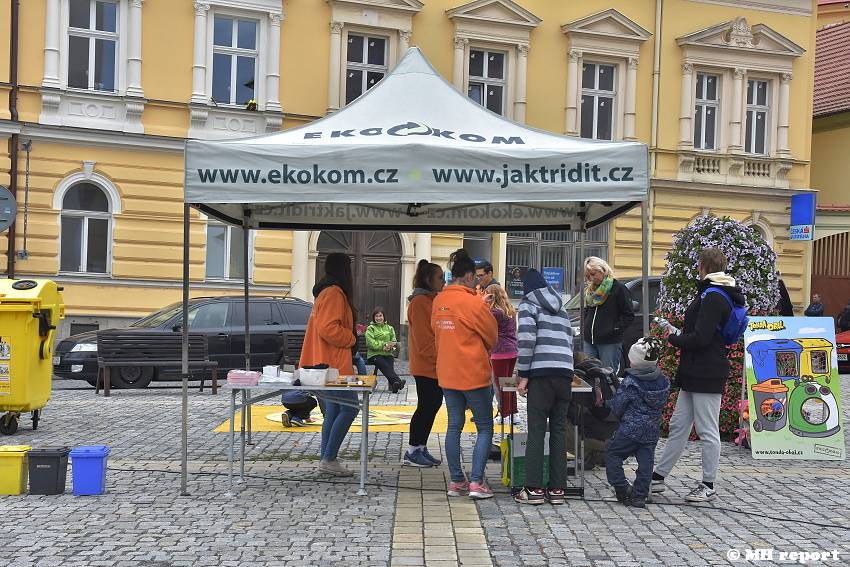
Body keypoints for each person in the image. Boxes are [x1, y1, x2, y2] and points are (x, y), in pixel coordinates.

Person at [652, 248, 746, 502]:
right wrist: (675, 330)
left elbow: (701, 338)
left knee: (707, 430)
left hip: (707, 371)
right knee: (678, 426)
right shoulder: (710, 292)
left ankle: (708, 485)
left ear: (704, 265)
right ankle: (658, 479)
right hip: (694, 370)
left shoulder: (714, 296)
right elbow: (699, 331)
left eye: (698, 264)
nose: (696, 267)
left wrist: (672, 336)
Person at [433, 249, 498, 499]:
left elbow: (436, 334)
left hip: (447, 373)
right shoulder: (473, 303)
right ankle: (477, 482)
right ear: (469, 276)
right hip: (473, 372)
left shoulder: (439, 301)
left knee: (454, 427)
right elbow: (492, 337)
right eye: (476, 278)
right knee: (483, 427)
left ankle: (457, 482)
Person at [514, 269, 575, 506]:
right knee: (559, 430)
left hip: (541, 375)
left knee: (537, 430)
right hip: (564, 374)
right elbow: (570, 341)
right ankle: (558, 489)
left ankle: (534, 489)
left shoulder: (528, 306)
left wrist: (524, 375)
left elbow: (526, 341)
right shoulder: (561, 309)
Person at [299, 252, 359, 477]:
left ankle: (327, 457)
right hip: (332, 365)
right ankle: (329, 457)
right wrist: (351, 338)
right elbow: (329, 328)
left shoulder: (325, 292)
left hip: (323, 363)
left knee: (334, 410)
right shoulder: (334, 293)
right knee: (350, 407)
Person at [605, 337, 670, 508]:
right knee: (646, 463)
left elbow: (618, 406)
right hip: (651, 430)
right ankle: (639, 496)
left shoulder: (631, 382)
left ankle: (622, 487)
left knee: (613, 453)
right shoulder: (663, 381)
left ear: (634, 362)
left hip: (630, 430)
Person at [404, 259, 446, 467]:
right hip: (427, 365)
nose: (443, 281)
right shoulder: (420, 302)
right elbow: (424, 339)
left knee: (432, 405)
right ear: (428, 279)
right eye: (440, 277)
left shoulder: (431, 299)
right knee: (426, 406)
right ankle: (413, 449)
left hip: (434, 364)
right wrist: (440, 357)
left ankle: (420, 446)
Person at [582, 257, 634, 374]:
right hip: (589, 340)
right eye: (588, 276)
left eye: (593, 274)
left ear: (602, 270)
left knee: (607, 376)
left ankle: (609, 393)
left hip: (609, 342)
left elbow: (629, 315)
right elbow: (588, 311)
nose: (591, 278)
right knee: (588, 374)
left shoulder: (618, 288)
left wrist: (614, 329)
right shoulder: (590, 291)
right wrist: (585, 326)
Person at [486, 284, 518, 419]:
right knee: (509, 383)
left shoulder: (494, 312)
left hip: (499, 352)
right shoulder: (510, 310)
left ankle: (504, 413)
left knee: (500, 385)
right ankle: (513, 412)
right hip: (512, 350)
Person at [365, 307, 406, 393]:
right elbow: (371, 343)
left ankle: (395, 385)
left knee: (388, 364)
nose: (378, 318)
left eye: (380, 316)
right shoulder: (370, 328)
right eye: (376, 316)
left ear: (384, 317)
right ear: (373, 317)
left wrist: (391, 346)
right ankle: (398, 381)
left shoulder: (389, 328)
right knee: (385, 365)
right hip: (374, 355)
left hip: (387, 353)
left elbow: (394, 342)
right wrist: (384, 345)